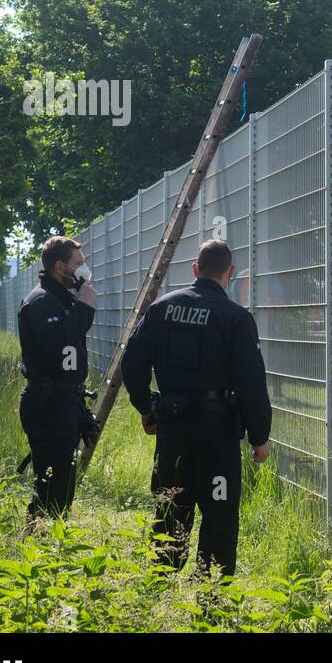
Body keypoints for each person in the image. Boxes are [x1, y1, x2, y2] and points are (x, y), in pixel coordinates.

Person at [121, 239, 272, 577]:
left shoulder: (161, 309)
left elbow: (131, 364)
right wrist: (260, 438)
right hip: (217, 436)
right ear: (229, 274)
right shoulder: (235, 318)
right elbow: (251, 383)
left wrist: (147, 406)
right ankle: (212, 596)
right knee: (219, 512)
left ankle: (162, 583)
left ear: (195, 270)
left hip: (173, 428)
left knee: (171, 505)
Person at [17, 236, 98, 520]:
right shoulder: (41, 301)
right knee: (50, 484)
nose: (84, 270)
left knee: (62, 483)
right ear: (61, 267)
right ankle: (36, 547)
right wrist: (84, 306)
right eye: (78, 264)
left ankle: (54, 544)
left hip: (66, 401)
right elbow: (59, 345)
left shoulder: (63, 298)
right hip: (48, 404)